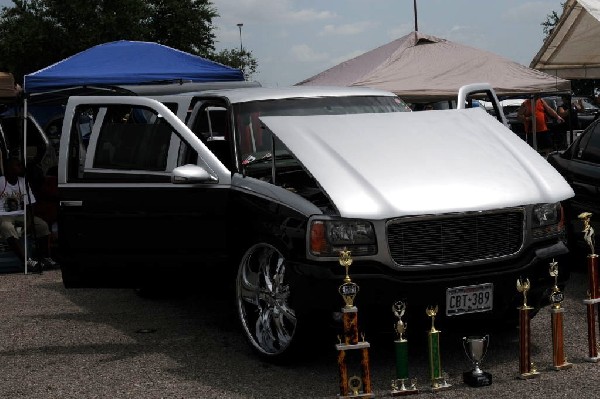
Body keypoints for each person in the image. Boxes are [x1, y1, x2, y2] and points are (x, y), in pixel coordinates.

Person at [0, 157, 56, 272]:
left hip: (21, 215)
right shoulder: (1, 181)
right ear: (9, 169)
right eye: (17, 165)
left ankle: (46, 257)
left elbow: (30, 205)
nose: (21, 168)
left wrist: (29, 221)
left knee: (42, 226)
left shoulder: (23, 182)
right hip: (4, 215)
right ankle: (26, 261)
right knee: (7, 227)